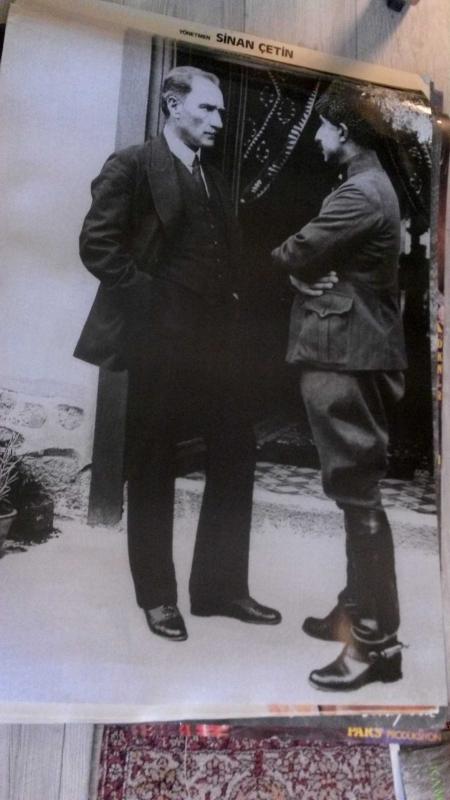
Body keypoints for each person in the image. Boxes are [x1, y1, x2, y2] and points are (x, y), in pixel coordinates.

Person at [75, 66, 281, 641]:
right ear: (172, 104)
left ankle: (220, 589)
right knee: (152, 463)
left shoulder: (211, 178)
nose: (218, 120)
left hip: (218, 346)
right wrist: (153, 305)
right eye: (207, 109)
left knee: (237, 449)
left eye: (221, 112)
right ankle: (158, 598)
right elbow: (98, 246)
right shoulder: (133, 165)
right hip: (159, 341)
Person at [272, 81, 406, 691]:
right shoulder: (371, 185)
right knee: (354, 490)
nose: (318, 138)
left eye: (322, 128)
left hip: (346, 355)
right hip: (350, 349)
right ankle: (356, 612)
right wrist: (306, 272)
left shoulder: (359, 193)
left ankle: (375, 645)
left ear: (343, 132)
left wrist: (294, 269)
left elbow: (297, 252)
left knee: (357, 494)